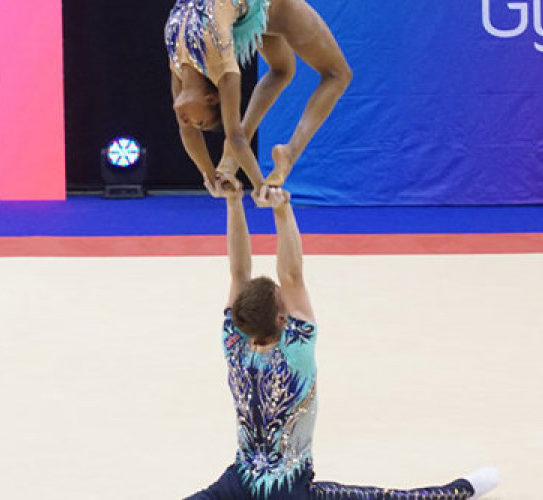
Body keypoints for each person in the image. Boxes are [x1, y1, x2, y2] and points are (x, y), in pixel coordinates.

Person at [186, 178, 501, 499]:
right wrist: (282, 208)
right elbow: (291, 274)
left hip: (237, 486)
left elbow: (238, 272)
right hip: (287, 492)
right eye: (282, 297)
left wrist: (233, 202)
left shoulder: (234, 343)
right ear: (282, 319)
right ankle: (461, 491)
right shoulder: (295, 349)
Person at [165, 0, 353, 195]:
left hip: (253, 10)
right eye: (200, 123)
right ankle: (287, 154)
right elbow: (189, 131)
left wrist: (252, 182)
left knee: (304, 72)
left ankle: (247, 155)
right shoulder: (187, 55)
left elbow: (224, 134)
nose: (188, 121)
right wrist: (211, 177)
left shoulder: (188, 58)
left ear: (211, 99)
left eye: (201, 123)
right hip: (245, 12)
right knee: (333, 74)